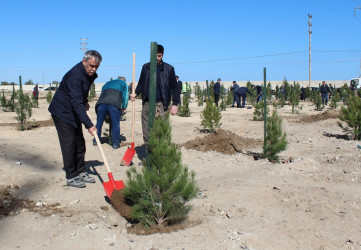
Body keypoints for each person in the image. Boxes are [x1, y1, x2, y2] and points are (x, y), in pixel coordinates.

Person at [48, 50, 101, 188]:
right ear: (84, 61)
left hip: (73, 108)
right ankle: (71, 176)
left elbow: (80, 94)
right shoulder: (75, 76)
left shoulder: (89, 74)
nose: (93, 69)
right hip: (62, 111)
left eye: (96, 66)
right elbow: (76, 102)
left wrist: (84, 100)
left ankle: (80, 170)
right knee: (69, 143)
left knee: (80, 142)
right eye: (91, 66)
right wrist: (89, 125)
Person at [131, 44, 180, 147]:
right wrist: (135, 93)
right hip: (147, 104)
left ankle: (161, 158)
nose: (157, 58)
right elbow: (141, 83)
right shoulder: (146, 67)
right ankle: (149, 156)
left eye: (159, 56)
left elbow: (175, 88)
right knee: (147, 132)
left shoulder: (169, 69)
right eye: (155, 56)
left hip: (162, 105)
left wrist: (175, 104)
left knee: (162, 132)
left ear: (162, 55)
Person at [93, 76, 129, 149]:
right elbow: (125, 96)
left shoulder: (107, 83)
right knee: (115, 124)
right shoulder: (123, 84)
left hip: (101, 103)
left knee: (99, 123)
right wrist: (124, 108)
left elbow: (102, 92)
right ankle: (115, 143)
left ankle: (95, 141)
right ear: (124, 81)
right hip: (114, 104)